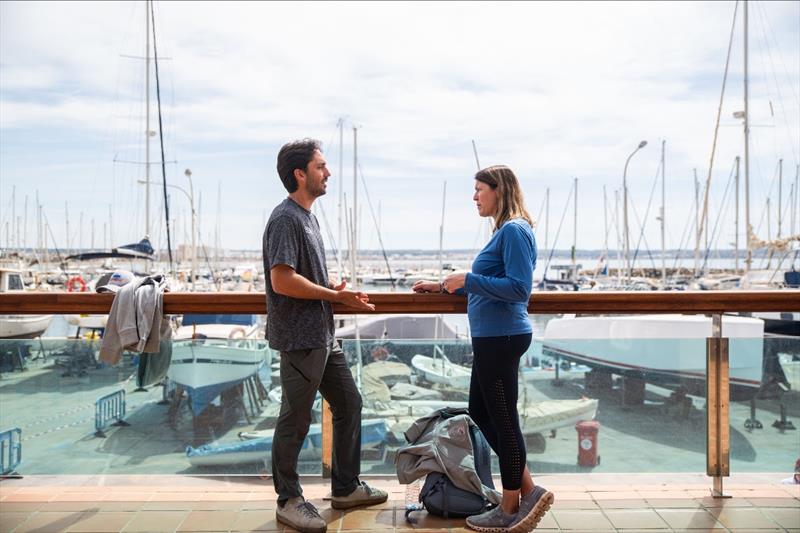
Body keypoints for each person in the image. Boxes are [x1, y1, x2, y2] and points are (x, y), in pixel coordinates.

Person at [413, 165, 553, 533]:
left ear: (499, 190)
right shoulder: (506, 231)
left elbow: (519, 288)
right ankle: (528, 490)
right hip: (494, 336)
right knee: (483, 413)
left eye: (479, 190)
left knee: (504, 422)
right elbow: (493, 282)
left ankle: (510, 507)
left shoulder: (514, 230)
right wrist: (444, 286)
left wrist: (469, 279)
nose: (474, 197)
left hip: (502, 337)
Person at [264, 138, 388, 533]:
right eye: (321, 166)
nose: (328, 172)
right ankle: (289, 499)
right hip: (300, 337)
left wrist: (338, 289)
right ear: (300, 174)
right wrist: (334, 294)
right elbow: (282, 280)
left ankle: (346, 487)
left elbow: (305, 275)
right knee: (295, 420)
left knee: (349, 403)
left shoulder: (308, 217)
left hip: (322, 334)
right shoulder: (285, 218)